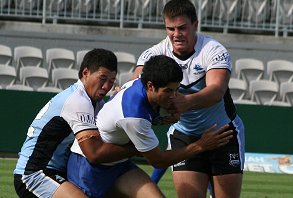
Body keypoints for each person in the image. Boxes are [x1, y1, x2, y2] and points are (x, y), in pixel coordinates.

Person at [67, 55, 234, 198]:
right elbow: (158, 160)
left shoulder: (142, 83)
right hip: (88, 169)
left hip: (119, 165)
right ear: (150, 86)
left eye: (176, 90)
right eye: (168, 91)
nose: (174, 97)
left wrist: (162, 118)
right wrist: (201, 145)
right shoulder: (134, 116)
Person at [132, 0, 245, 198]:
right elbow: (136, 86)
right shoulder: (154, 53)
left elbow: (217, 91)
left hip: (223, 134)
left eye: (182, 28)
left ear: (195, 25)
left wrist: (185, 103)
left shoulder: (214, 50)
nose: (176, 34)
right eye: (170, 28)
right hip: (184, 135)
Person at [13, 48, 139, 198]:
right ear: (86, 73)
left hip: (59, 172)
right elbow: (94, 153)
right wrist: (139, 148)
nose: (106, 86)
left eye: (111, 81)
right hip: (35, 174)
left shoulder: (94, 102)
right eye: (102, 78)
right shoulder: (77, 101)